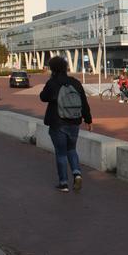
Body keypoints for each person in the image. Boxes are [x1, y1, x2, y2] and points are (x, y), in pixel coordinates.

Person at [39, 56, 92, 192]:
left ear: (52, 69)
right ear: (65, 67)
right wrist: (88, 119)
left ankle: (63, 183)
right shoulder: (75, 82)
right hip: (74, 121)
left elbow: (43, 97)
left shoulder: (53, 82)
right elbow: (84, 102)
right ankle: (77, 173)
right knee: (72, 149)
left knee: (61, 153)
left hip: (58, 122)